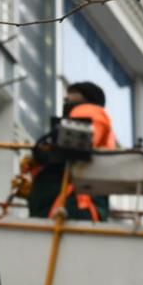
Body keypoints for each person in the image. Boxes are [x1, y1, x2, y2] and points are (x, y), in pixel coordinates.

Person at [26, 80, 118, 221]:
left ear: (88, 98)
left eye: (73, 93)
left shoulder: (90, 111)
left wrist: (45, 156)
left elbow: (79, 144)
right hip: (62, 203)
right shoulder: (72, 121)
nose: (66, 98)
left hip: (75, 202)